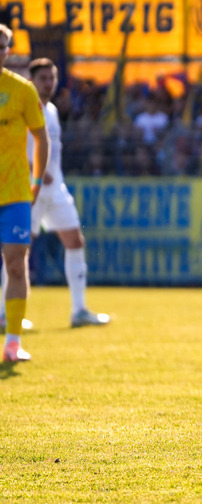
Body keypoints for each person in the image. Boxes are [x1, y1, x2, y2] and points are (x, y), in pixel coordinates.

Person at [0, 58, 109, 329]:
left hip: (56, 188)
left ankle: (79, 310)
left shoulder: (52, 110)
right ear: (32, 81)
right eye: (43, 78)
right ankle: (6, 314)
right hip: (29, 188)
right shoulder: (23, 102)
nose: (48, 82)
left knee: (75, 241)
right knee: (17, 254)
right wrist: (36, 170)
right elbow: (12, 146)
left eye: (52, 77)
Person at [0, 24, 49, 363]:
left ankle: (12, 343)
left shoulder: (22, 90)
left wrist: (36, 181)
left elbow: (41, 139)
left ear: (9, 49)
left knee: (17, 266)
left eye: (2, 46)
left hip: (16, 192)